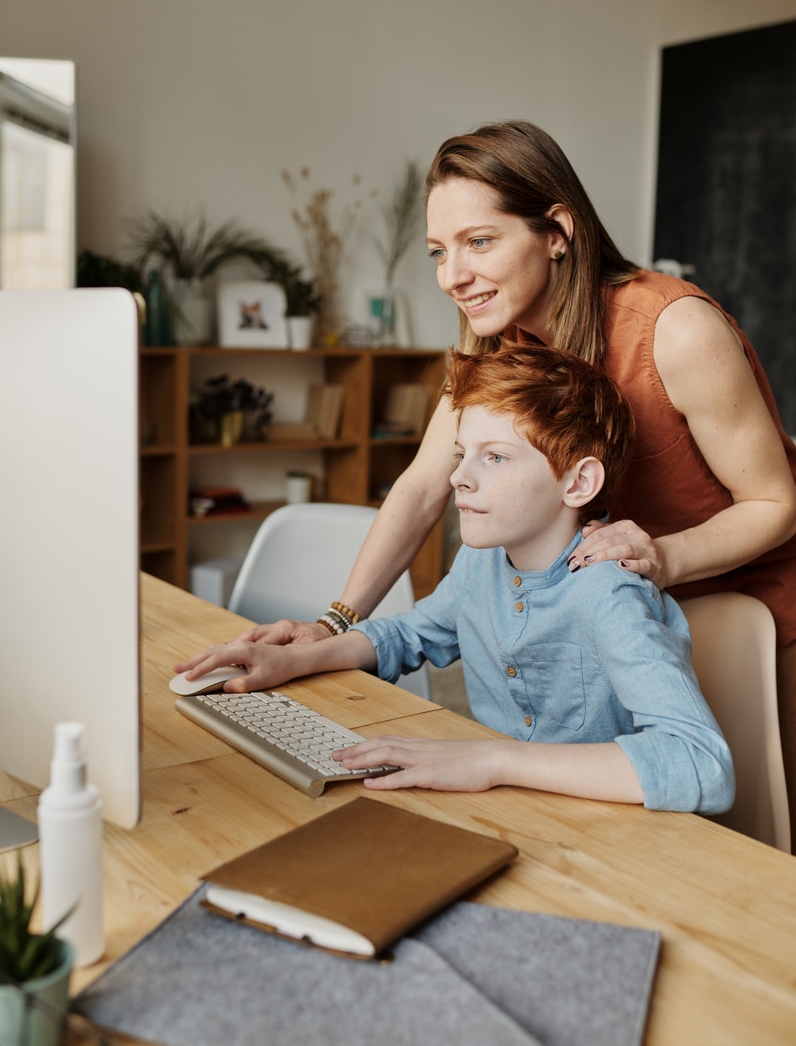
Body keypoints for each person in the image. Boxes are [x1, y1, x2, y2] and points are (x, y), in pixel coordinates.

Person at [241, 121, 796, 837]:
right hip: (617, 596)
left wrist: (664, 557)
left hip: (741, 601)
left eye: (479, 242)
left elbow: (776, 502)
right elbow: (419, 488)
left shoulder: (674, 329)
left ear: (556, 230)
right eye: (439, 252)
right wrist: (329, 625)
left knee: (756, 837)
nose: (452, 276)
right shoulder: (494, 343)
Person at [176, 343, 734, 813]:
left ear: (578, 482)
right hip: (508, 807)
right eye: (462, 453)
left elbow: (700, 762)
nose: (458, 477)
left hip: (605, 832)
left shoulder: (607, 592)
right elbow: (414, 633)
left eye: (495, 458)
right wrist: (299, 657)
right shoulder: (482, 561)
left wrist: (492, 759)